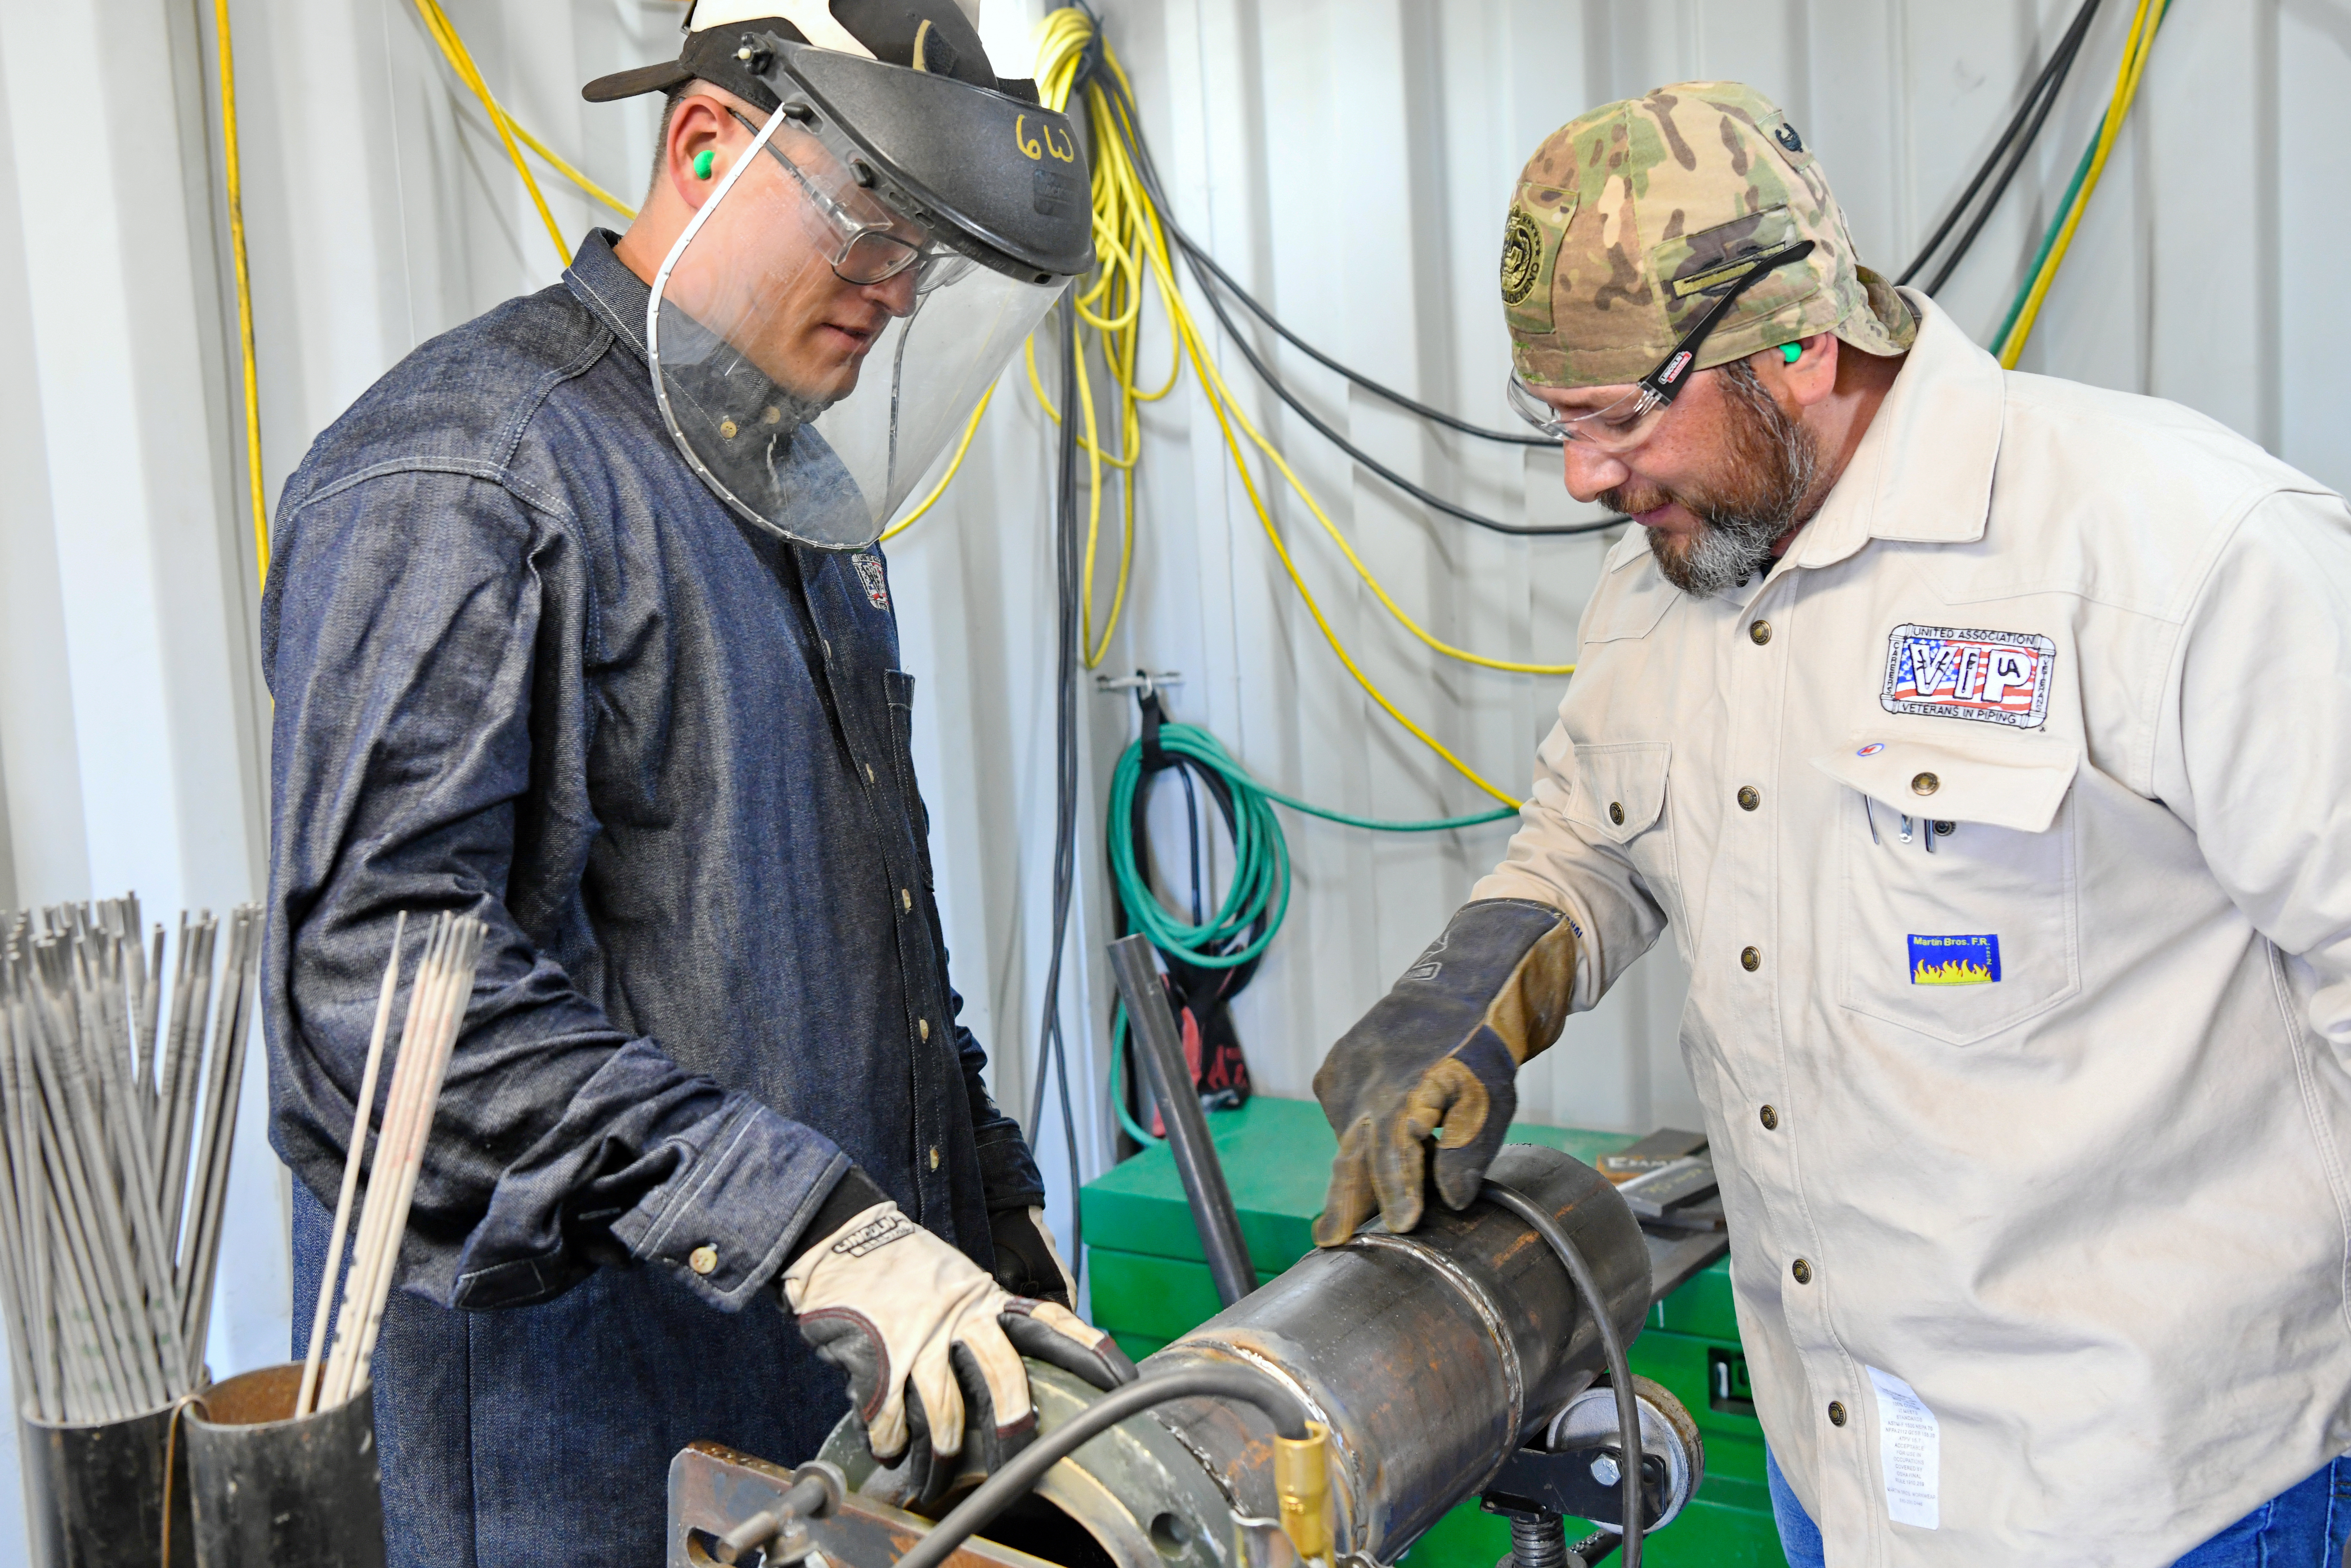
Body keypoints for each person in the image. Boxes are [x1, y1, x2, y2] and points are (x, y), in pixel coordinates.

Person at [1310, 81, 2351, 1566]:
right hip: (1840, 1473)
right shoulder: (1668, 582)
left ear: (1793, 345)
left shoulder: (2177, 556)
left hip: (2158, 1498)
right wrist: (1462, 1001)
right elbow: (1590, 837)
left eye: (1613, 416)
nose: (1581, 476)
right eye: (1551, 419)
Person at [260, 6, 1124, 1565]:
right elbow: (371, 999)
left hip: (806, 1453)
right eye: (873, 223)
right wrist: (800, 1218)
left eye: (928, 254)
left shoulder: (780, 484)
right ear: (707, 147)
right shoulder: (469, 474)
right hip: (584, 1471)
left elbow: (878, 951)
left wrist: (996, 1239)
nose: (898, 290)